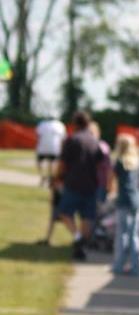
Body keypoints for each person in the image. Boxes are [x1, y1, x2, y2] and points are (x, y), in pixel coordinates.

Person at [56, 110, 103, 261]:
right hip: (90, 184)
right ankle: (82, 243)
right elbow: (100, 162)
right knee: (87, 216)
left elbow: (62, 163)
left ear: (75, 123)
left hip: (73, 183)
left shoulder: (72, 140)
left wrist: (57, 178)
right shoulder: (94, 141)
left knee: (64, 212)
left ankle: (77, 238)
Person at [109, 133, 139, 276]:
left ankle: (119, 265)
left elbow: (110, 181)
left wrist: (110, 192)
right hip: (136, 199)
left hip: (123, 199)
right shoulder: (137, 162)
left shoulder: (118, 162)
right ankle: (136, 266)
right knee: (134, 234)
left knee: (121, 234)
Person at [35, 116, 66, 185]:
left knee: (40, 161)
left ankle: (43, 176)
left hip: (42, 147)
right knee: (52, 162)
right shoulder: (60, 125)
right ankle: (51, 177)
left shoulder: (42, 124)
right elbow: (63, 138)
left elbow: (38, 136)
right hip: (55, 148)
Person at [88, 121, 111, 206]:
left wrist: (109, 186)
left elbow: (108, 168)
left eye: (91, 133)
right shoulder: (84, 146)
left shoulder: (103, 147)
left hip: (99, 184)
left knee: (97, 210)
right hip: (87, 184)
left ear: (97, 133)